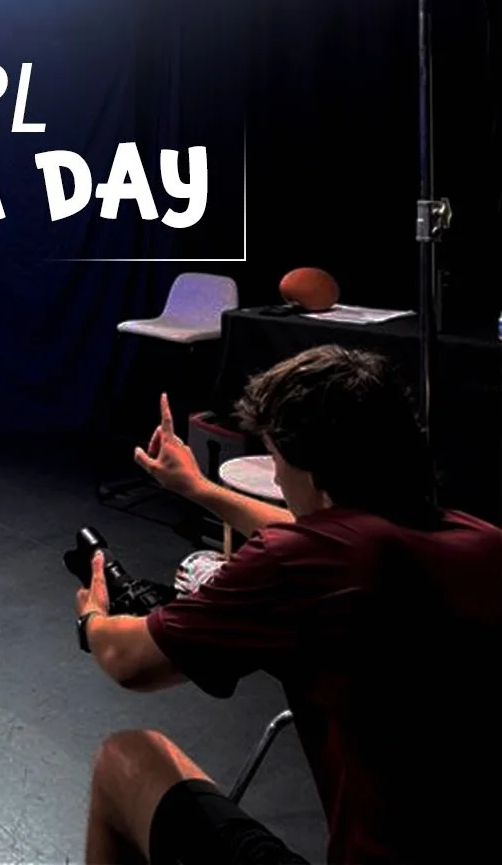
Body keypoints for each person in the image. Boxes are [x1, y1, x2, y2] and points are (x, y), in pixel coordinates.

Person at [74, 345, 502, 864]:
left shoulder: (299, 562)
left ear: (316, 475)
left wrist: (94, 616)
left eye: (277, 461)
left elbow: (130, 663)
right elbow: (328, 539)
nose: (276, 481)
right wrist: (197, 488)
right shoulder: (479, 539)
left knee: (125, 760)